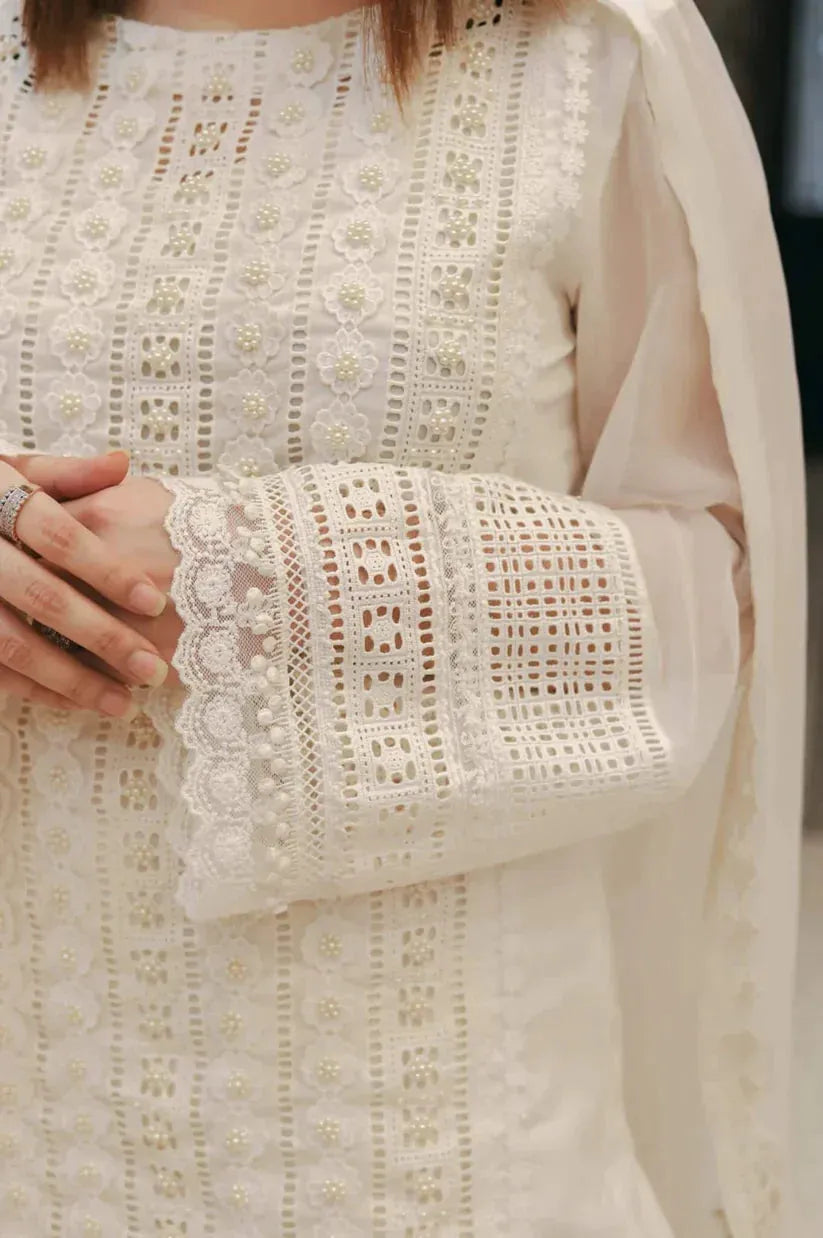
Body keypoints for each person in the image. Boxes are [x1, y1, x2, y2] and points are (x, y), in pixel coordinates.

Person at [0, 0, 805, 1233]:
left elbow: (722, 584)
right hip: (39, 1122)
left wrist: (248, 576)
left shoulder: (592, 55)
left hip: (435, 1139)